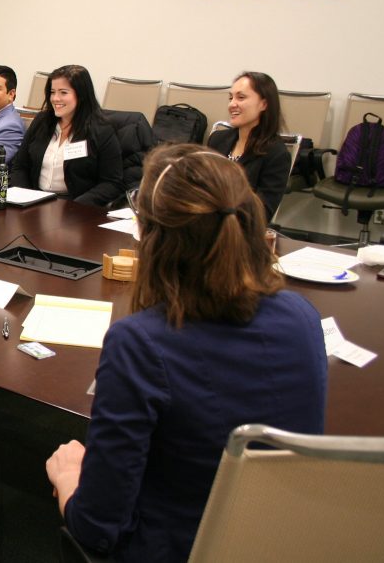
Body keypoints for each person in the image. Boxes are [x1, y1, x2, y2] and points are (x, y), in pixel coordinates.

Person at [45, 143, 327, 563]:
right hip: (282, 541)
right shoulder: (302, 316)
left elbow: (99, 527)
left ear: (150, 236)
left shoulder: (139, 343)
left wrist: (69, 478)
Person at [9, 64, 123, 207]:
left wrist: (76, 206)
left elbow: (112, 183)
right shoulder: (42, 121)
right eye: (52, 92)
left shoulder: (101, 130)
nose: (55, 98)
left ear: (81, 95)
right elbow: (20, 166)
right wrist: (25, 196)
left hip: (76, 206)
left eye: (63, 92)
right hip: (35, 201)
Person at [206, 71, 291, 221]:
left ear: (264, 104)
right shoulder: (217, 140)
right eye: (231, 98)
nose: (232, 104)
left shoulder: (276, 154)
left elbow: (262, 214)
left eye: (241, 97)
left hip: (239, 229)